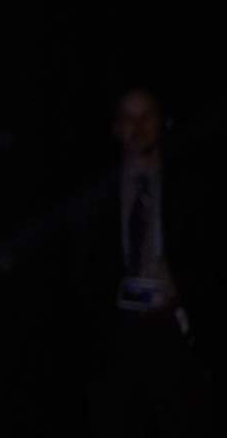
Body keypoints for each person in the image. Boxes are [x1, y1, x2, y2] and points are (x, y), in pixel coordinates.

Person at [72, 87, 214, 436]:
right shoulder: (97, 191)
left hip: (173, 329)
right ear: (116, 127)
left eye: (146, 117)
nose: (138, 127)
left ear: (160, 122)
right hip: (117, 335)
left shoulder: (190, 185)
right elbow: (84, 263)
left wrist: (183, 295)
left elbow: (207, 253)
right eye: (129, 119)